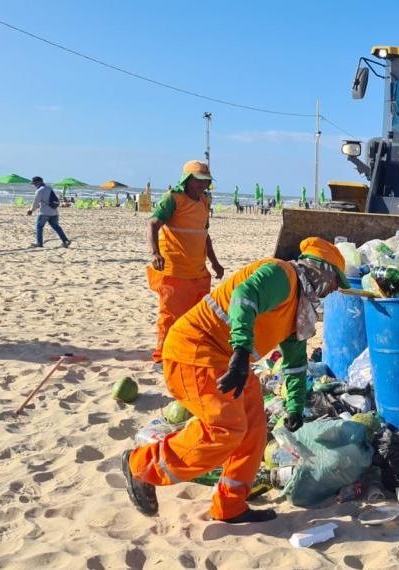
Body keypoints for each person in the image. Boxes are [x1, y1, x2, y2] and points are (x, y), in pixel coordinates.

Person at [122, 237, 350, 523]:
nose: (332, 291)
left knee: (254, 430)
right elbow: (245, 296)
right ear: (321, 270)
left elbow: (294, 363)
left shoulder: (300, 308)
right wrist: (242, 351)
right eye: (334, 281)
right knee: (225, 428)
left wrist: (294, 406)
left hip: (228, 361)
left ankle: (230, 505)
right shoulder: (282, 274)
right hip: (195, 351)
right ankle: (141, 466)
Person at [146, 160, 224, 367]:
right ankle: (162, 357)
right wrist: (155, 253)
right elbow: (153, 224)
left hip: (198, 272)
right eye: (199, 180)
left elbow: (205, 235)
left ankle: (186, 351)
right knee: (170, 316)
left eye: (206, 180)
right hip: (174, 271)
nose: (203, 184)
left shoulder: (205, 201)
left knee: (198, 317)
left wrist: (215, 263)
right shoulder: (172, 199)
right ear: (187, 179)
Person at [27, 176, 71, 248]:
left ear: (39, 182)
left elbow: (36, 202)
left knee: (39, 226)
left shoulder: (39, 190)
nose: (34, 185)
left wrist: (31, 210)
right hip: (54, 212)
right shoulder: (49, 188)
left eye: (34, 183)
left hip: (44, 212)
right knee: (56, 227)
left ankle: (39, 243)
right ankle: (65, 240)